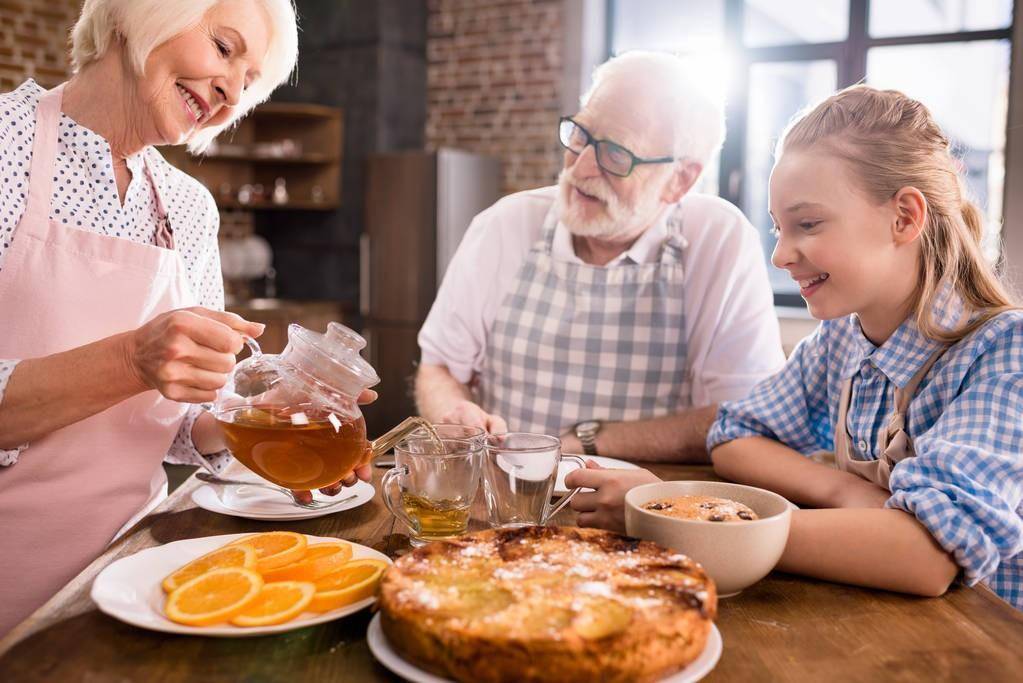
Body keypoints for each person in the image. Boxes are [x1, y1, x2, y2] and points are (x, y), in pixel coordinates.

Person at [567, 85, 1023, 607]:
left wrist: (680, 517)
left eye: (807, 224)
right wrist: (846, 492)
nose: (781, 254)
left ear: (904, 218)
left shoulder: (1005, 352)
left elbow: (925, 556)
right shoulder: (839, 341)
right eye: (779, 229)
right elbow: (733, 434)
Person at [0, 0, 365, 636]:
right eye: (224, 49)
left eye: (248, 82)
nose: (230, 89)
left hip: (137, 572)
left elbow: (182, 427)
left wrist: (272, 412)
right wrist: (129, 361)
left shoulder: (188, 209)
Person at [415, 51, 784, 463]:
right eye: (580, 135)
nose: (582, 168)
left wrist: (583, 442)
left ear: (680, 180)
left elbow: (744, 418)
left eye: (616, 154)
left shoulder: (717, 239)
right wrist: (453, 413)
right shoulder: (505, 225)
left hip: (653, 505)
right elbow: (440, 369)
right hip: (504, 496)